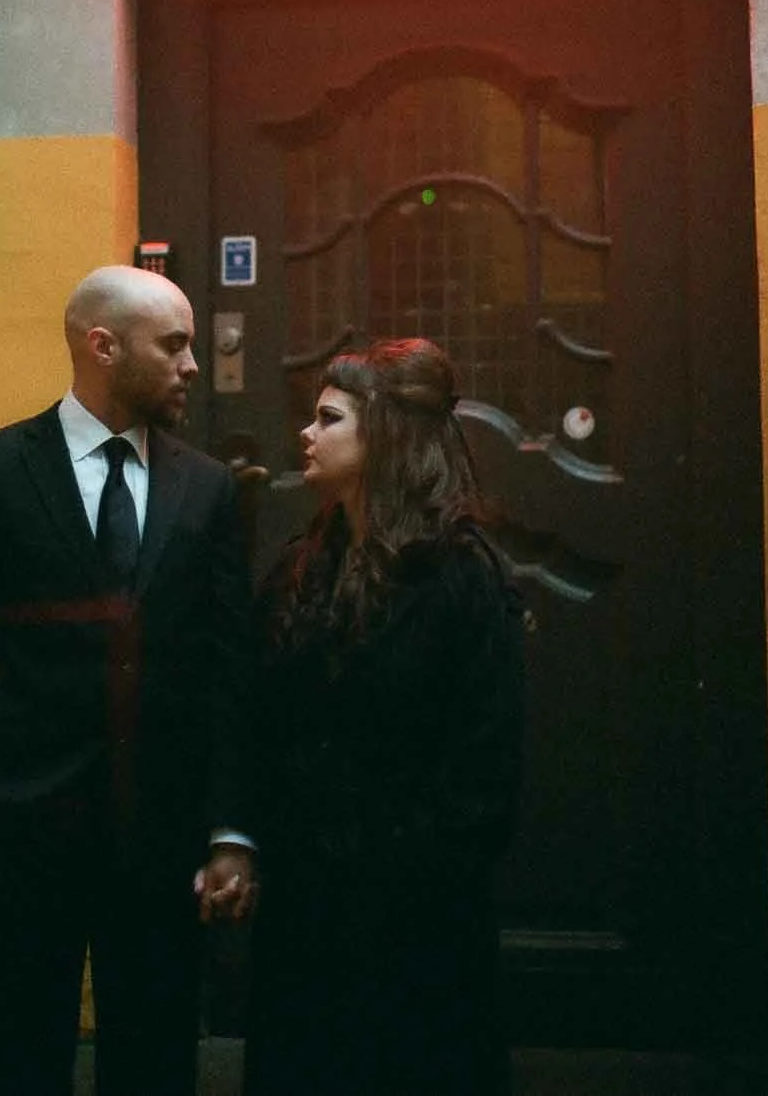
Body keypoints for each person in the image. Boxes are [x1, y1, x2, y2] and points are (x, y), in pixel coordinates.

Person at [0, 264, 257, 1096]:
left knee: (154, 1059)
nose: (193, 365)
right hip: (19, 835)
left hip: (163, 839)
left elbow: (229, 673)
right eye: (172, 344)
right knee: (16, 1058)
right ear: (103, 346)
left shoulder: (207, 490)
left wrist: (228, 830)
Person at [243, 338, 525, 1096]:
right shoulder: (303, 564)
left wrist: (400, 874)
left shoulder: (459, 577)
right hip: (307, 906)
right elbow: (262, 724)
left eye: (329, 419)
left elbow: (484, 769)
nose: (306, 434)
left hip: (416, 916)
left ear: (386, 437)